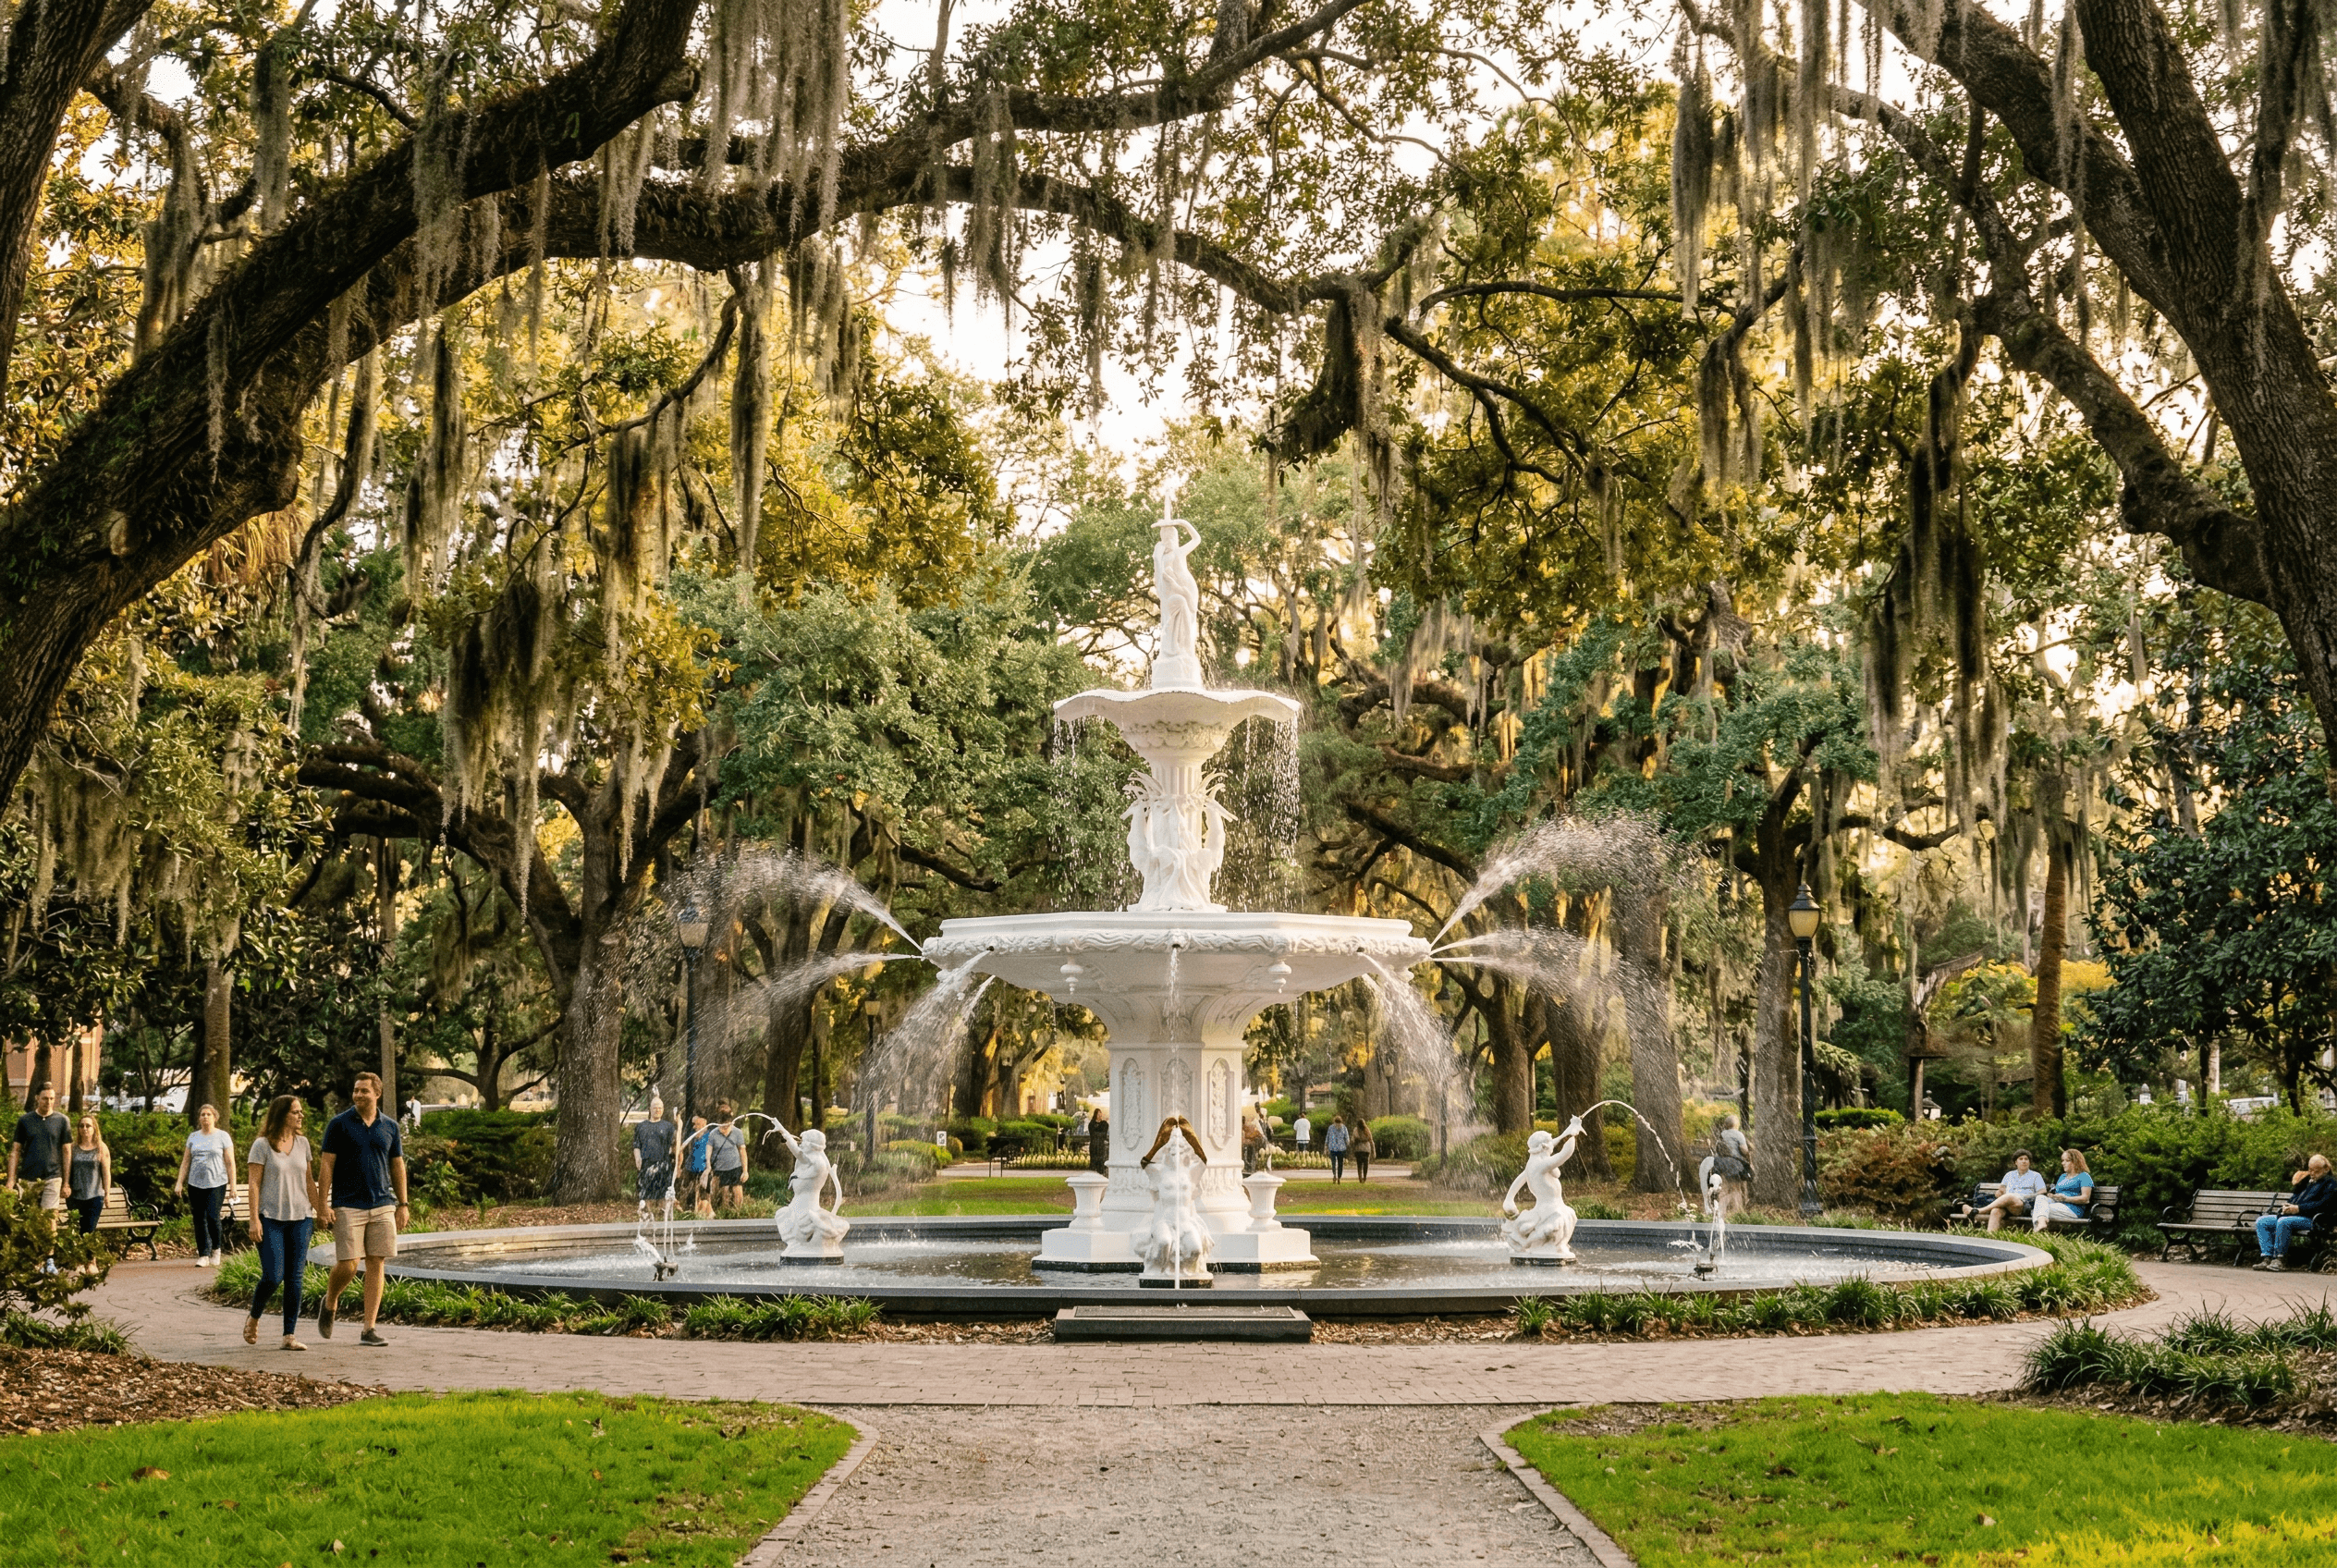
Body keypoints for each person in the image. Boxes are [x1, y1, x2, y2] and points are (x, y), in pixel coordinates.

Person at [317, 1072, 408, 1348]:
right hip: (348, 1204)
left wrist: (402, 1204)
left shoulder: (389, 1126)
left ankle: (369, 1328)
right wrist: (322, 1204)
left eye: (364, 1091)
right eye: (356, 1090)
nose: (358, 1095)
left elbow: (397, 1166)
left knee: (376, 1262)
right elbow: (326, 1165)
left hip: (382, 1204)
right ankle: (331, 1300)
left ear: (376, 1094)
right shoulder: (339, 1124)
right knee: (348, 1263)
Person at [244, 1095, 320, 1351]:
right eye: (296, 1112)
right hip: (270, 1219)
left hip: (301, 1218)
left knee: (295, 1277)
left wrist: (321, 1209)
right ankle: (254, 1316)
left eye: (301, 1111)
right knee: (273, 1275)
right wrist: (253, 1219)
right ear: (282, 1115)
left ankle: (289, 1335)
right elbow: (253, 1184)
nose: (301, 1116)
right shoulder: (262, 1145)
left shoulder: (303, 1143)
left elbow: (309, 1181)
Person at [175, 1103, 237, 1266]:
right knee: (198, 1218)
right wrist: (179, 1183)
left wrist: (233, 1186)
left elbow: (230, 1163)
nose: (205, 1117)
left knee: (212, 1216)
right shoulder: (193, 1137)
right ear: (199, 1118)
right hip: (195, 1184)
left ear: (215, 1117)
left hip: (217, 1182)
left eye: (209, 1114)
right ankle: (203, 1254)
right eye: (202, 1114)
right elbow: (185, 1162)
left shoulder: (223, 1136)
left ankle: (216, 1249)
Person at [2255, 1154, 2336, 1271]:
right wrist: (2288, 1206)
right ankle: (2267, 1257)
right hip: (2296, 1217)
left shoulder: (2331, 1184)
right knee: (2262, 1221)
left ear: (2326, 1169)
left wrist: (2298, 1208)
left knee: (2284, 1222)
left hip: (2315, 1219)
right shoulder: (2309, 1181)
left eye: (2316, 1171)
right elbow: (2295, 1197)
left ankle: (2280, 1259)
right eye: (2310, 1170)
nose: (2312, 1173)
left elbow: (2322, 1206)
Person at [8, 1085, 69, 1218]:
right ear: (37, 1098)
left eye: (52, 1099)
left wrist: (66, 1182)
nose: (49, 1102)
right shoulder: (25, 1121)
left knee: (50, 1217)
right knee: (28, 1218)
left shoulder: (62, 1121)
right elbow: (15, 1151)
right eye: (45, 1098)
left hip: (53, 1177)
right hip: (28, 1177)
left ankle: (50, 1240)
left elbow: (67, 1152)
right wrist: (10, 1180)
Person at [66, 1115, 111, 1257]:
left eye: (88, 1126)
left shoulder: (101, 1147)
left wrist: (107, 1194)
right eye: (82, 1126)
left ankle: (90, 1261)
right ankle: (81, 1261)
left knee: (89, 1230)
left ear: (94, 1129)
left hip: (95, 1195)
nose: (84, 1129)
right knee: (79, 1230)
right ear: (78, 1129)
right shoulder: (73, 1148)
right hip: (76, 1196)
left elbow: (106, 1172)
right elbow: (67, 1169)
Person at [1974, 1150, 2049, 1233]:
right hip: (2008, 1205)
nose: (2024, 1161)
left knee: (2010, 1196)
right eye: (2021, 1159)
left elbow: (2042, 1192)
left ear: (2029, 1162)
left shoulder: (2036, 1175)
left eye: (2026, 1159)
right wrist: (1999, 1193)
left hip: (2024, 1205)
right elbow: (2001, 1190)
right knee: (1996, 1211)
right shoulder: (2009, 1175)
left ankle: (1979, 1211)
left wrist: (2024, 1196)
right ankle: (1990, 1238)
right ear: (2016, 1162)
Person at [2030, 1148, 2095, 1233]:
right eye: (2062, 1160)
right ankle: (2041, 1225)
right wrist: (2054, 1197)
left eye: (2066, 1161)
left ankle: (2038, 1231)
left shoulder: (2084, 1176)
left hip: (2072, 1209)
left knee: (2037, 1211)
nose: (2063, 1163)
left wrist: (2066, 1199)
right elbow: (2059, 1194)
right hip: (2057, 1205)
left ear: (2075, 1161)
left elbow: (2085, 1199)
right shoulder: (2062, 1177)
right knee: (2040, 1198)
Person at [632, 1096, 677, 1217]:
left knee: (663, 1195)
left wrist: (677, 1162)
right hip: (647, 1164)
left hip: (664, 1164)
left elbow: (674, 1146)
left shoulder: (668, 1127)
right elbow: (636, 1145)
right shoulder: (641, 1126)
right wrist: (637, 1157)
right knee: (648, 1194)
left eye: (660, 1108)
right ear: (650, 1109)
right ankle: (648, 1217)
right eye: (655, 1107)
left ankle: (663, 1217)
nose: (658, 1110)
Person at [708, 1104, 748, 1211]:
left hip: (735, 1166)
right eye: (722, 1125)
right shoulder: (713, 1134)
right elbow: (709, 1152)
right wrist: (708, 1167)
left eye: (727, 1125)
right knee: (724, 1193)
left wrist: (745, 1170)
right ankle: (724, 1216)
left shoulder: (737, 1132)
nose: (725, 1128)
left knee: (738, 1191)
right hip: (721, 1168)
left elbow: (742, 1151)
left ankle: (738, 1213)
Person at [684, 1113, 715, 1217]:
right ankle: (697, 1211)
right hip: (693, 1168)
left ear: (704, 1125)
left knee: (706, 1192)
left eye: (697, 1124)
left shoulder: (710, 1136)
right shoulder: (693, 1136)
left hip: (705, 1168)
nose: (694, 1127)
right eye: (694, 1124)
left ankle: (708, 1212)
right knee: (695, 1190)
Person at [1325, 1115, 1349, 1183]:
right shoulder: (1331, 1128)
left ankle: (1339, 1177)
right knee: (1333, 1163)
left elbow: (1347, 1138)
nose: (1338, 1125)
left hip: (1341, 1148)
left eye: (1339, 1123)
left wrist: (1347, 1144)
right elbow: (1328, 1137)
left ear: (1341, 1123)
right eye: (1336, 1123)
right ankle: (1335, 1175)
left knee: (1340, 1163)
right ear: (1334, 1122)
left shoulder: (1344, 1128)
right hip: (1332, 1148)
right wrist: (1326, 1147)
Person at [1352, 1117, 1375, 1184]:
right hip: (1366, 1150)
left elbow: (1353, 1140)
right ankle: (1364, 1177)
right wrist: (1373, 1151)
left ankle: (1360, 1178)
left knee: (1359, 1165)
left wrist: (1353, 1143)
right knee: (1365, 1165)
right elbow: (1371, 1140)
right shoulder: (1367, 1130)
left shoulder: (1356, 1130)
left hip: (1358, 1149)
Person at [1087, 1110, 1110, 1174]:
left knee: (1101, 1161)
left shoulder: (1104, 1124)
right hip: (1094, 1145)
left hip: (1100, 1145)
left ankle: (1101, 1173)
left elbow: (1104, 1134)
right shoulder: (1091, 1124)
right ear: (1095, 1115)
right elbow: (1093, 1134)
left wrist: (1098, 1133)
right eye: (1098, 1114)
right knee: (1094, 1160)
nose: (1099, 1115)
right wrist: (1099, 1133)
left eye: (1100, 1113)